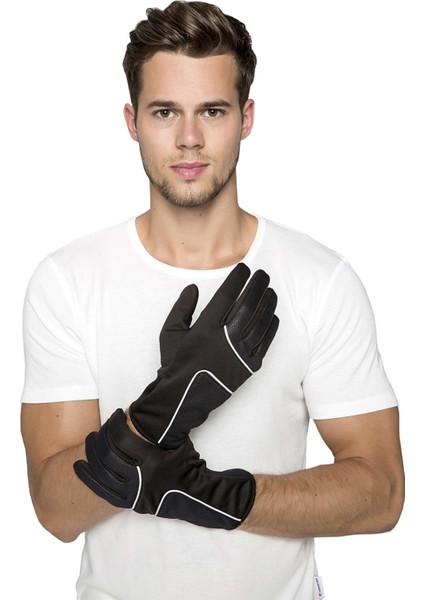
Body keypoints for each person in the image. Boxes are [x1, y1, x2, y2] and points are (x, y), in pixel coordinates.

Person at [20, 2, 404, 599]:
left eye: (213, 111)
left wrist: (213, 496)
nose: (189, 139)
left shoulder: (319, 279)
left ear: (246, 118)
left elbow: (382, 494)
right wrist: (161, 411)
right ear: (132, 121)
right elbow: (55, 510)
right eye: (165, 111)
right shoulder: (68, 281)